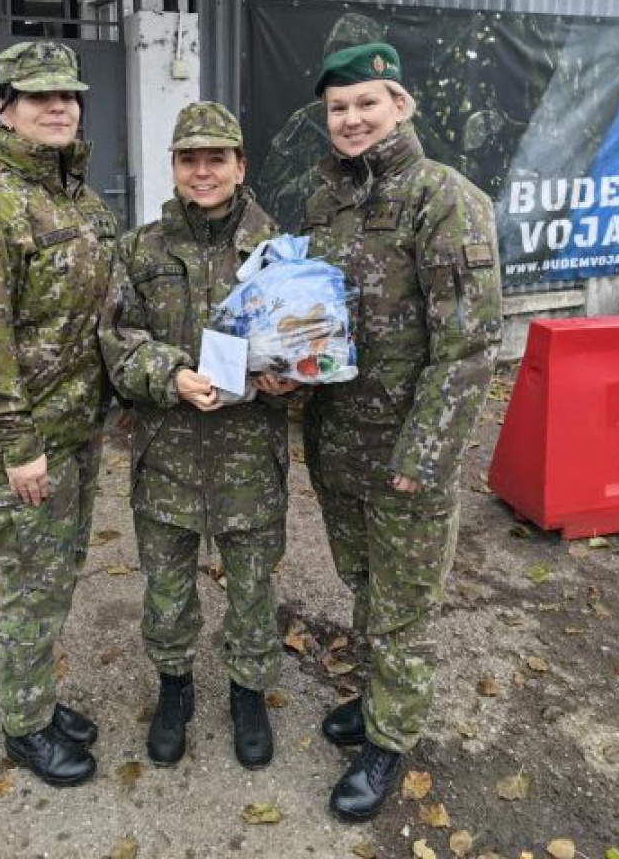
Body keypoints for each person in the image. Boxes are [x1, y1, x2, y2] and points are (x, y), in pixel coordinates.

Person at [301, 42, 502, 822]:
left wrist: (424, 453)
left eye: (366, 104)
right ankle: (377, 697)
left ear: (400, 105)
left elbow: (468, 345)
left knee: (404, 607)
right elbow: (313, 319)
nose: (351, 120)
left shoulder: (443, 198)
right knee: (364, 584)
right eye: (338, 108)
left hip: (404, 454)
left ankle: (390, 738)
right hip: (337, 444)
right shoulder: (326, 202)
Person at [0, 40, 117, 787]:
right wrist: (17, 441)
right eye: (40, 96)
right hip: (24, 443)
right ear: (5, 109)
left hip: (74, 431)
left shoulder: (80, 203)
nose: (58, 107)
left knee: (57, 576)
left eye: (68, 95)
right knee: (33, 585)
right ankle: (25, 728)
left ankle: (36, 699)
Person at [99, 102, 292, 770]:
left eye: (217, 158)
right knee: (167, 584)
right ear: (174, 166)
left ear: (240, 166)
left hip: (249, 454)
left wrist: (291, 379)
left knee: (252, 584)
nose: (202, 171)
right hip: (167, 453)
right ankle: (174, 686)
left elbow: (308, 341)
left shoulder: (278, 251)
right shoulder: (139, 249)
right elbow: (118, 341)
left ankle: (248, 692)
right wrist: (171, 374)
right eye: (190, 159)